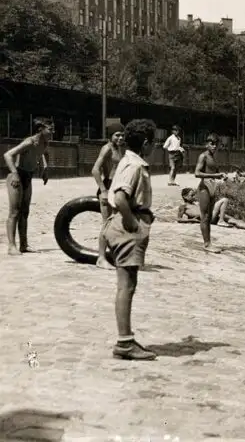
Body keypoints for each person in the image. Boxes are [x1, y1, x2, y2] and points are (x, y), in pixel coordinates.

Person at [102, 118, 158, 361]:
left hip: (127, 222)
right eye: (153, 143)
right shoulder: (134, 166)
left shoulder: (129, 161)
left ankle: (126, 338)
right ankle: (124, 342)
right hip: (127, 228)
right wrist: (133, 222)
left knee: (128, 284)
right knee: (127, 285)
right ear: (146, 143)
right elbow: (121, 197)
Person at [4, 118, 52, 256]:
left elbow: (44, 154)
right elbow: (8, 155)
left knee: (25, 212)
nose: (52, 131)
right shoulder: (29, 142)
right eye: (49, 129)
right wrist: (14, 174)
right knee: (15, 212)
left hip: (28, 177)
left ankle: (23, 245)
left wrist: (44, 170)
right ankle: (11, 246)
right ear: (40, 129)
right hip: (17, 177)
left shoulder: (44, 142)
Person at [91, 121, 125, 268]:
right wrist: (103, 190)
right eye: (117, 135)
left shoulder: (119, 149)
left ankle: (114, 255)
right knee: (107, 224)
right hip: (108, 187)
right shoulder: (107, 149)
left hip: (117, 188)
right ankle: (101, 258)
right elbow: (95, 170)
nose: (120, 138)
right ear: (110, 135)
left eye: (122, 135)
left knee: (116, 224)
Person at [194, 133, 227, 252]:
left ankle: (208, 242)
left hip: (212, 186)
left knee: (209, 217)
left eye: (215, 144)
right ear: (206, 144)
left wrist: (221, 176)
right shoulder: (203, 156)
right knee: (205, 216)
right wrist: (215, 175)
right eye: (211, 144)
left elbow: (215, 174)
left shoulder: (213, 157)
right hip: (204, 187)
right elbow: (197, 173)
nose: (213, 146)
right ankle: (207, 244)